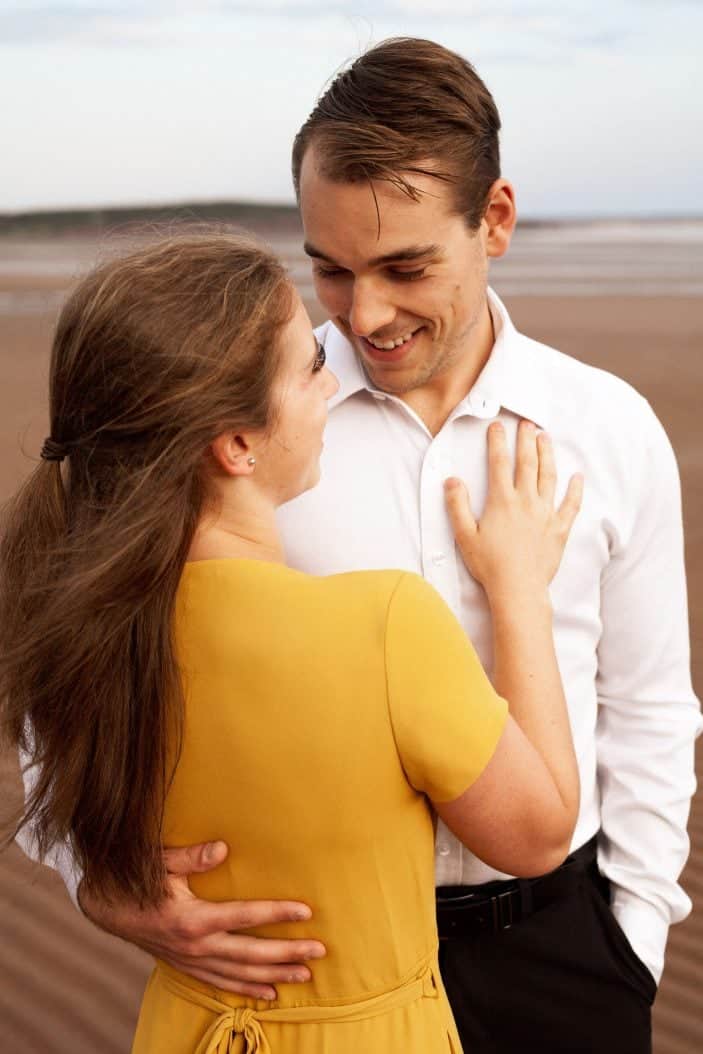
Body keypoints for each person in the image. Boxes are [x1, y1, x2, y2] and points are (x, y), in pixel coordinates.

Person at [17, 36, 701, 1054]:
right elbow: (70, 674)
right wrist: (102, 887)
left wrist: (629, 935)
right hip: (308, 966)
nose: (364, 314)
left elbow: (647, 705)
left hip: (557, 952)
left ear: (495, 221)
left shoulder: (607, 428)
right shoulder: (239, 434)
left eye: (404, 266)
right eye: (329, 269)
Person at [3, 233, 584, 1052]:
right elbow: (536, 835)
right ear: (236, 444)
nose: (330, 380)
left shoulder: (78, 631)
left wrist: (105, 894)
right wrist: (519, 587)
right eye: (309, 363)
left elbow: (67, 825)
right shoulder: (386, 622)